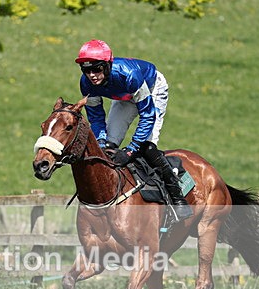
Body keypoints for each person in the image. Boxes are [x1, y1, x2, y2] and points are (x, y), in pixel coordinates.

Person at [75, 39, 192, 220]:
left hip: (152, 90)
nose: (92, 75)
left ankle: (177, 197)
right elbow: (96, 118)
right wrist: (101, 142)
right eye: (86, 70)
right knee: (108, 146)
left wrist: (130, 151)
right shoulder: (86, 83)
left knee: (147, 147)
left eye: (97, 69)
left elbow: (148, 115)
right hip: (124, 97)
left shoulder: (128, 75)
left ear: (107, 65)